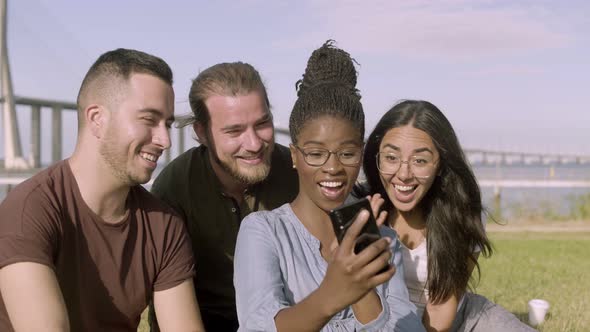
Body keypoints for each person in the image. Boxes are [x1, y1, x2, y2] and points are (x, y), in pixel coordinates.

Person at [0, 48, 204, 331]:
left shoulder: (164, 226)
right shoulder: (29, 210)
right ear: (97, 118)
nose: (165, 140)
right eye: (149, 120)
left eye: (167, 124)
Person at [234, 41, 425, 331]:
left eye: (347, 154)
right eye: (315, 153)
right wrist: (334, 293)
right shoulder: (263, 231)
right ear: (295, 156)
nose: (333, 167)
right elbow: (257, 327)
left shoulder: (382, 239)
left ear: (361, 154)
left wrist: (362, 290)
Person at [148, 62, 298, 331]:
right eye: (234, 131)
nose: (253, 145)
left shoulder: (299, 173)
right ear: (202, 133)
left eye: (262, 124)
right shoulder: (172, 189)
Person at [361, 100, 535, 331]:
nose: (403, 174)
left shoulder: (461, 214)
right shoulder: (361, 208)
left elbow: (441, 309)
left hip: (456, 320)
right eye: (391, 158)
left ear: (440, 164)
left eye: (420, 161)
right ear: (376, 157)